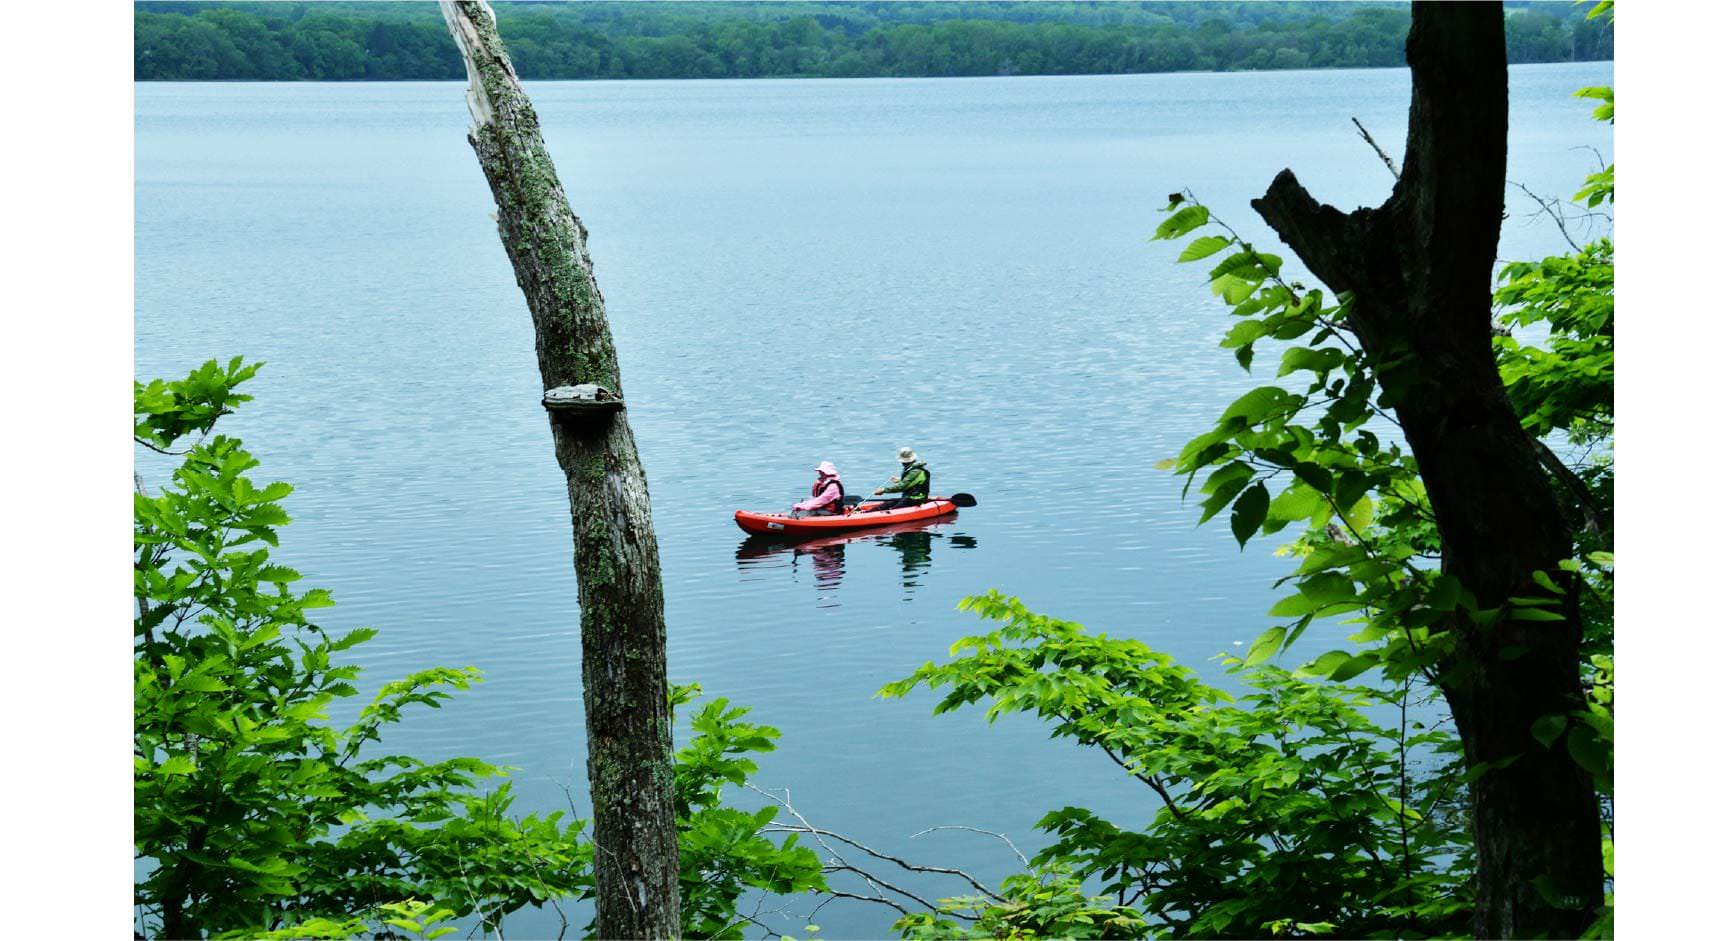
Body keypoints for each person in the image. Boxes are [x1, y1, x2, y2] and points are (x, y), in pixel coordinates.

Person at [871, 447, 931, 511]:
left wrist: (883, 490)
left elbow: (901, 487)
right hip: (908, 498)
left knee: (893, 509)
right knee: (888, 503)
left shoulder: (915, 472)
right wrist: (899, 480)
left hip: (917, 499)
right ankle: (866, 513)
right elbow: (912, 481)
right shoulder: (912, 469)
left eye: (903, 462)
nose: (902, 463)